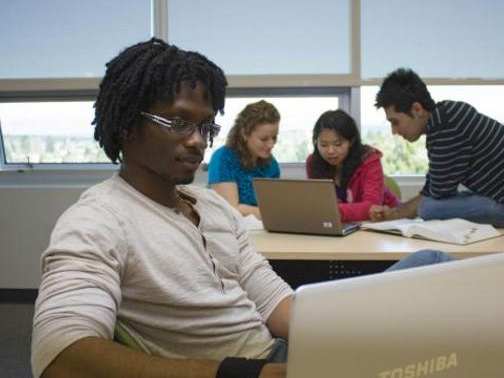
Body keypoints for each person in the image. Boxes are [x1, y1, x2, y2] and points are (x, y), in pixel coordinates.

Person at [31, 41, 452, 378]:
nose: (197, 140)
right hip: (243, 368)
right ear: (125, 124)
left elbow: (273, 302)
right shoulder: (98, 220)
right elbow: (60, 356)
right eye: (179, 122)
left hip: (285, 352)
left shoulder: (212, 206)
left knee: (433, 264)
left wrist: (347, 333)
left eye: (205, 126)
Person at [369, 68, 504, 228]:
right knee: (429, 205)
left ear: (417, 109)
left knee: (428, 209)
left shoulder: (447, 127)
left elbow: (437, 195)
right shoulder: (444, 119)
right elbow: (433, 189)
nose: (394, 131)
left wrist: (395, 214)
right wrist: (396, 213)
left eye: (395, 122)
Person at [306, 109, 401, 222]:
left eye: (338, 144)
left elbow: (372, 206)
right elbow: (322, 204)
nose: (330, 151)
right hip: (345, 225)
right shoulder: (313, 163)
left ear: (351, 141)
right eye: (323, 144)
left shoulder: (369, 159)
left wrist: (331, 212)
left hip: (386, 224)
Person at [208, 100, 280, 219]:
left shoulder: (271, 164)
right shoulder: (223, 158)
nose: (271, 144)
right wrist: (271, 214)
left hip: (260, 228)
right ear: (245, 134)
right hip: (228, 228)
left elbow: (272, 205)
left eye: (274, 138)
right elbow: (231, 209)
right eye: (264, 139)